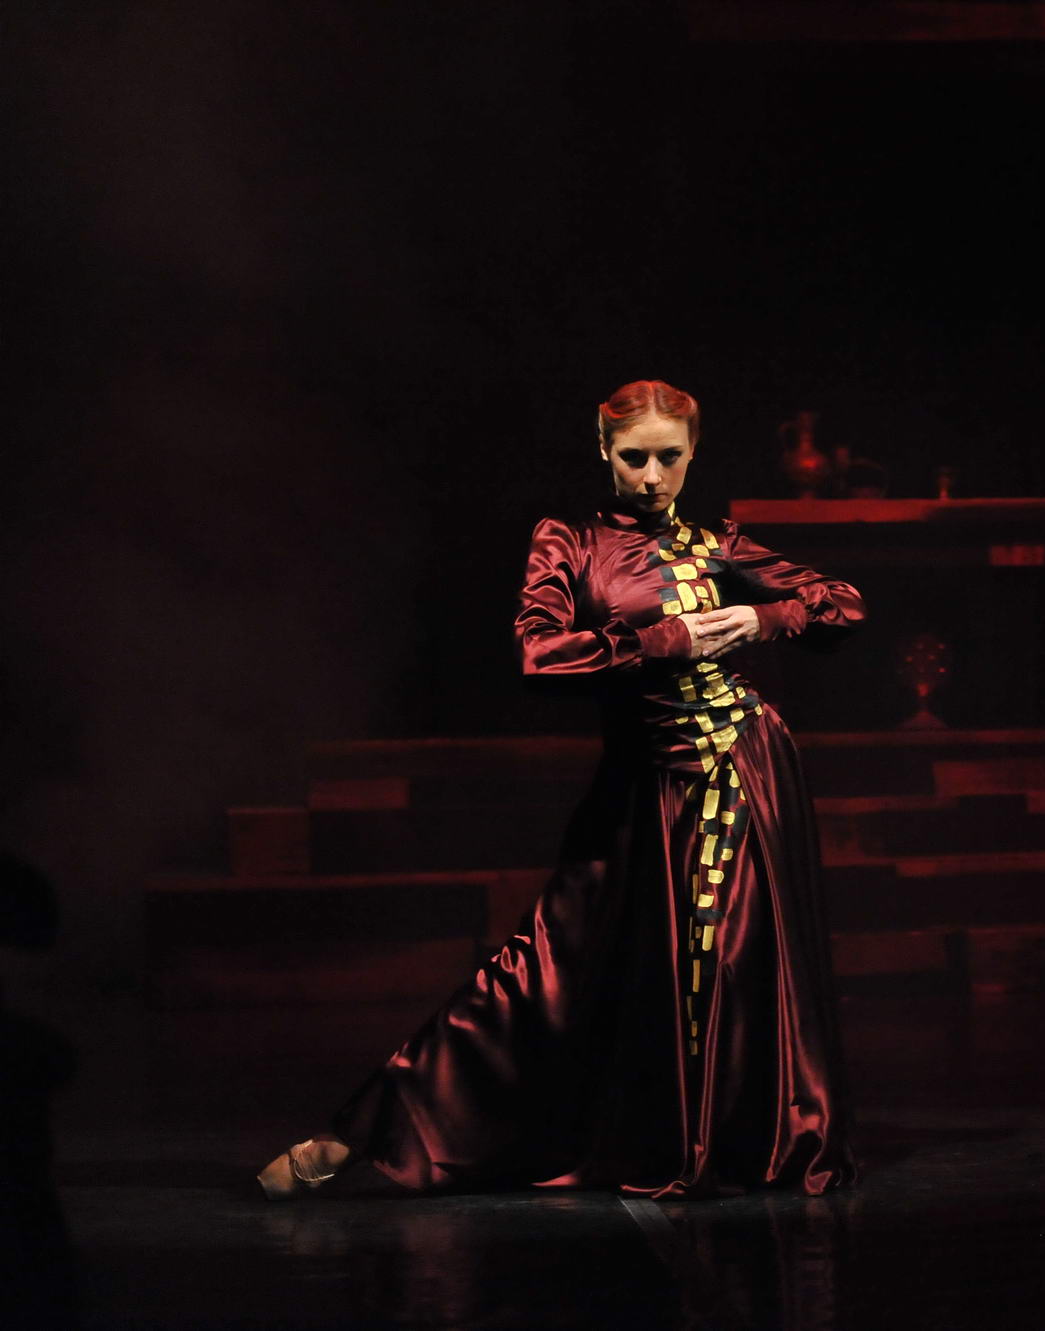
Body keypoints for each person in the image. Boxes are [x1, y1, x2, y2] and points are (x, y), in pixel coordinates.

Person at [257, 379, 862, 1200]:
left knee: (724, 959)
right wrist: (666, 637)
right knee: (544, 963)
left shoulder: (716, 543)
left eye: (670, 457)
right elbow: (538, 653)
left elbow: (842, 603)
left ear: (694, 454)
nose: (652, 476)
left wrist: (765, 618)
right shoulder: (569, 542)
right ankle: (367, 1131)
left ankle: (729, 1145)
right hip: (639, 787)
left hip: (739, 767)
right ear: (603, 449)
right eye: (634, 456)